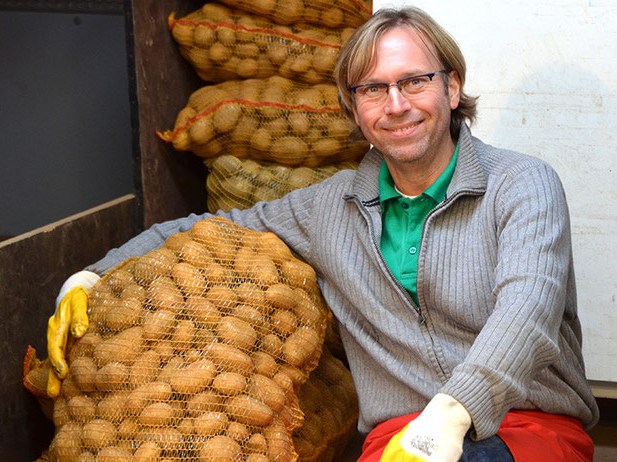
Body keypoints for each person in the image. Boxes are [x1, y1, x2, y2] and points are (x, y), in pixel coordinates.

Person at [47, 7, 599, 461]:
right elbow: (202, 227)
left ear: (452, 88)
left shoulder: (523, 185)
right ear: (354, 110)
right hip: (397, 439)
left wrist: (450, 417)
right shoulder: (328, 208)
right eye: (374, 89)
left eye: (414, 81)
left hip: (528, 426)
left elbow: (527, 312)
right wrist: (91, 274)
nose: (397, 104)